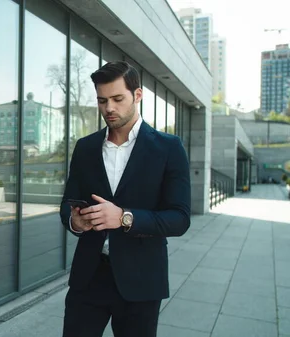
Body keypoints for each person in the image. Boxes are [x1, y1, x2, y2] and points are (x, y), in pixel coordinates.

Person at [60, 61, 190, 337]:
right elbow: (68, 203)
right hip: (89, 278)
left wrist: (123, 218)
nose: (109, 108)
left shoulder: (168, 148)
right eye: (102, 100)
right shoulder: (85, 148)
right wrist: (75, 222)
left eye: (118, 99)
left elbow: (179, 218)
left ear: (137, 95)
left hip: (141, 281)